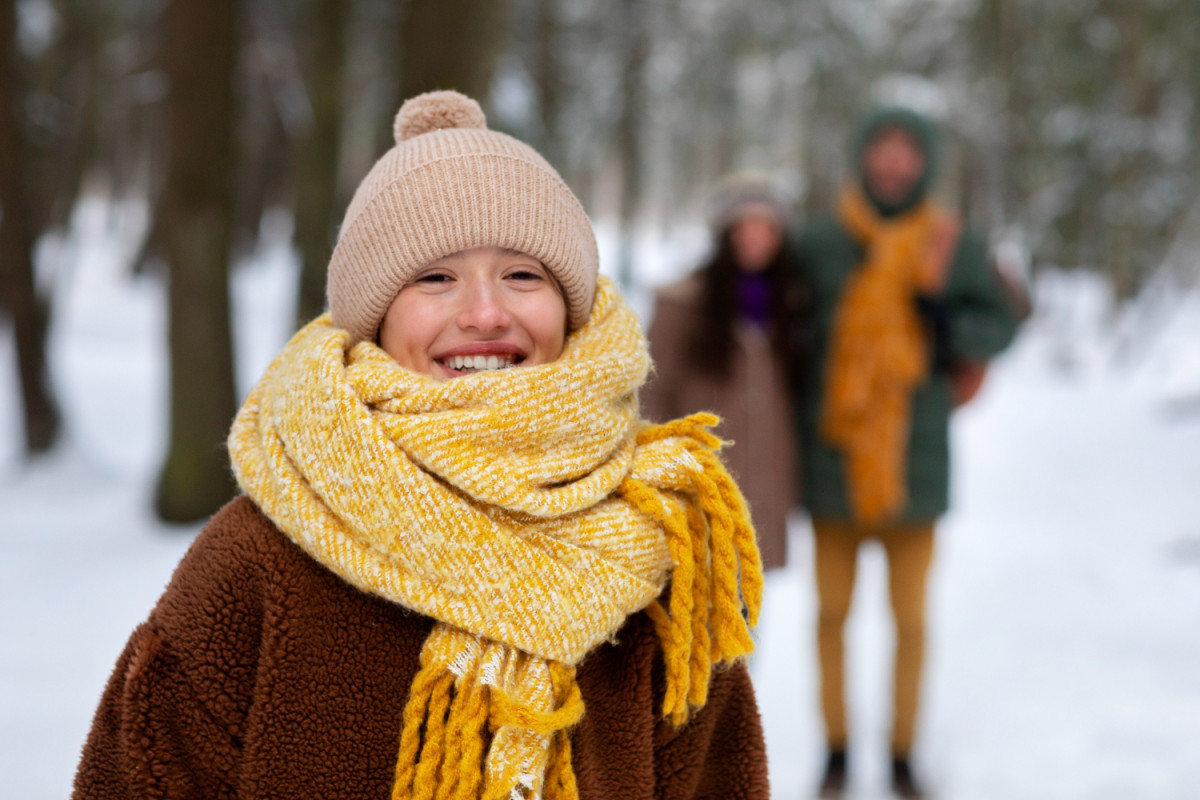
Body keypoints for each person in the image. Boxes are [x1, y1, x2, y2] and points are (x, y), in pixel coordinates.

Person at [72, 91, 769, 800]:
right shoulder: (258, 560)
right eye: (435, 278)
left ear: (571, 306)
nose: (486, 313)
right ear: (374, 317)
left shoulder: (658, 556)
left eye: (523, 274)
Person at [791, 106, 1018, 799]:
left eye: (906, 152)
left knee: (912, 622)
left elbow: (1001, 322)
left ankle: (900, 755)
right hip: (831, 460)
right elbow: (779, 318)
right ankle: (834, 752)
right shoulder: (823, 240)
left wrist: (949, 325)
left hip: (914, 464)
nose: (893, 163)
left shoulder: (950, 244)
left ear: (923, 162)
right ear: (862, 156)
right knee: (830, 617)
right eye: (882, 149)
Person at [642, 175, 804, 572]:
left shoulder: (791, 304)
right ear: (725, 233)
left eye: (766, 227)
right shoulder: (682, 303)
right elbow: (651, 395)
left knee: (743, 616)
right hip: (695, 491)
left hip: (761, 489)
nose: (755, 237)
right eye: (743, 226)